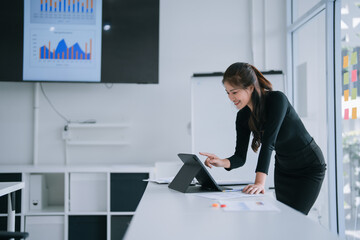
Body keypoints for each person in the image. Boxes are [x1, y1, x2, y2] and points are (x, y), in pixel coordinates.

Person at [200, 62, 326, 215]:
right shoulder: (242, 116)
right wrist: (221, 162)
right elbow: (240, 157)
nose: (231, 98)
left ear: (250, 88)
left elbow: (269, 142)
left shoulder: (277, 100)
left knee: (295, 220)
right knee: (282, 220)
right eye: (227, 93)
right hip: (284, 169)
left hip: (309, 167)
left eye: (234, 92)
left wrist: (259, 183)